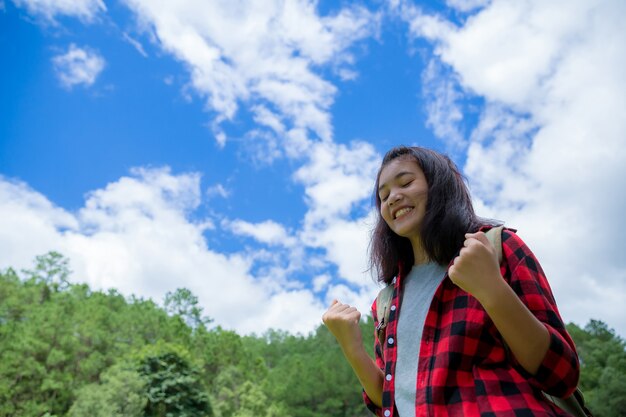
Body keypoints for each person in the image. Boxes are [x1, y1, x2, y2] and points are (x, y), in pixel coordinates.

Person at [322, 146, 580, 416]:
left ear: (438, 185)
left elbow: (561, 374)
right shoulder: (386, 303)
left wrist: (492, 289)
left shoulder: (496, 248)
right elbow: (392, 401)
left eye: (406, 183)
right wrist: (351, 348)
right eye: (383, 196)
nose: (392, 198)